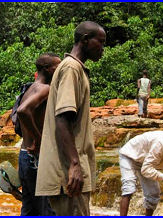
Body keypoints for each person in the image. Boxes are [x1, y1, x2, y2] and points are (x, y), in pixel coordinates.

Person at [35, 21, 106, 216]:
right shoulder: (71, 69)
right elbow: (63, 119)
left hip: (67, 173)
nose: (103, 48)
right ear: (85, 40)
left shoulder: (73, 68)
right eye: (100, 42)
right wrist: (75, 165)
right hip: (68, 174)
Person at [15, 53, 61, 216]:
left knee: (29, 208)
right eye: (57, 67)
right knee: (44, 209)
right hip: (35, 156)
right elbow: (23, 111)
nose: (60, 70)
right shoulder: (45, 89)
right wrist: (38, 139)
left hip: (24, 154)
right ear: (47, 69)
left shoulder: (29, 88)